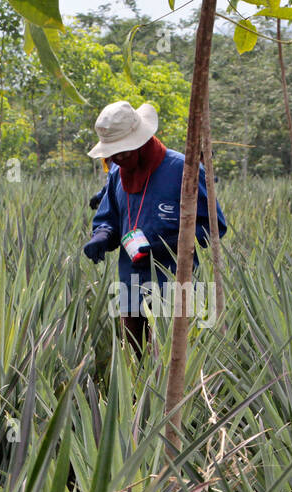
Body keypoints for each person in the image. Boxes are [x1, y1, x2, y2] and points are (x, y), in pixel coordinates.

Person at [82, 101, 227, 357]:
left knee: (170, 363)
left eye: (123, 152)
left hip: (174, 286)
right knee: (134, 363)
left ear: (140, 142)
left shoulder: (183, 170)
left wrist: (166, 243)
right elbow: (109, 217)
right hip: (129, 286)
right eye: (113, 153)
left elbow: (213, 228)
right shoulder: (117, 173)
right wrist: (102, 235)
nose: (117, 158)